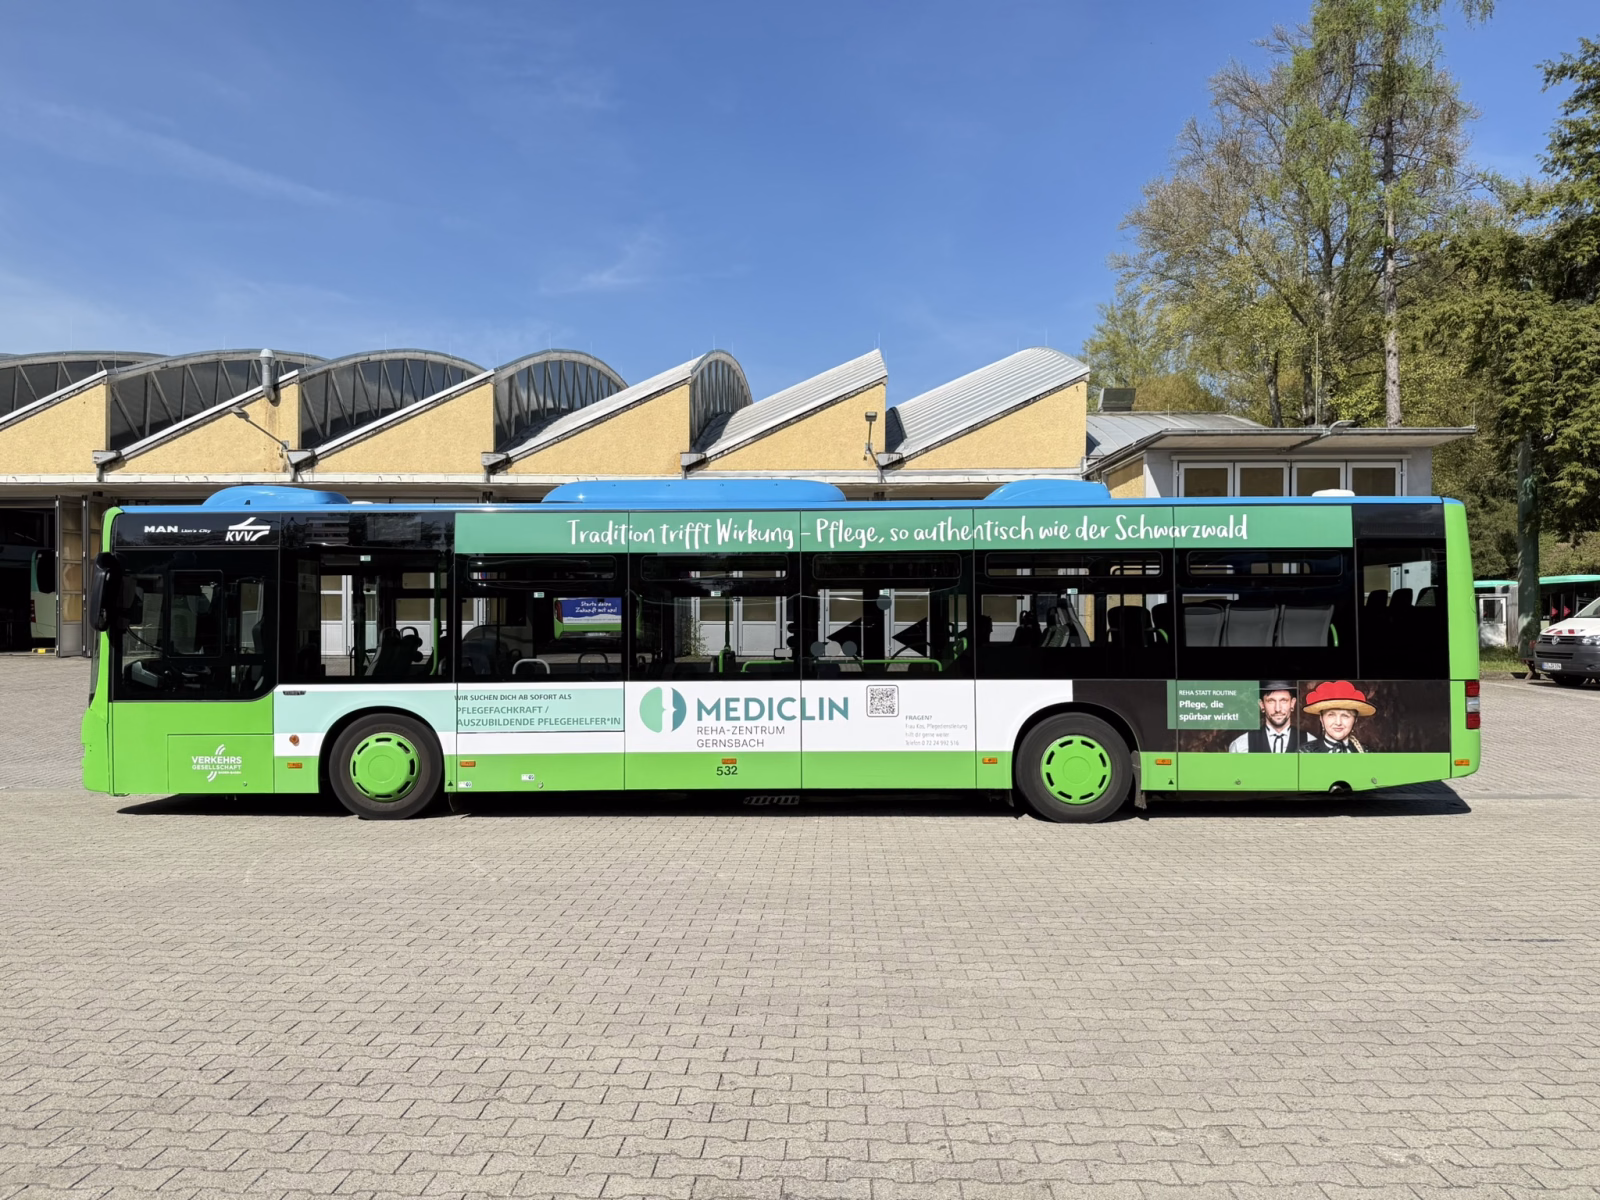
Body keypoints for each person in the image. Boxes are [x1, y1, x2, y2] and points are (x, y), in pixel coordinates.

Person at [1227, 681, 1306, 753]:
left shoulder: (1310, 741)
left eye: (1283, 700)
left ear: (1292, 703)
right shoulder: (1240, 746)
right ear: (1262, 705)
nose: (1277, 709)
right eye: (1271, 701)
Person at [1301, 680, 1375, 753]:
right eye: (1331, 715)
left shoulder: (1367, 752)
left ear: (1355, 720)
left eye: (1345, 716)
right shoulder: (1305, 753)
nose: (1338, 722)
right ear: (1321, 719)